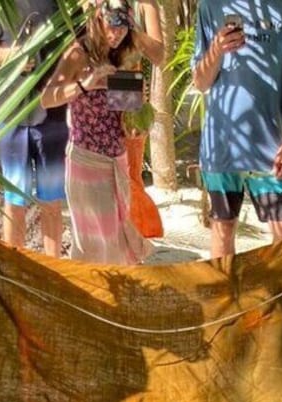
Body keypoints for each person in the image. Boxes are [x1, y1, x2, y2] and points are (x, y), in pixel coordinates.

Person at [191, 0, 282, 258]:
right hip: (222, 145)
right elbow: (201, 83)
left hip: (271, 148)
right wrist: (216, 49)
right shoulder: (210, 6)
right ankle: (226, 297)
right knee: (223, 230)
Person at [40, 0, 153, 264]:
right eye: (111, 26)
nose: (117, 34)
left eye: (123, 28)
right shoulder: (78, 54)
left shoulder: (123, 54)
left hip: (117, 159)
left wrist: (138, 98)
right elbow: (47, 99)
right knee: (95, 245)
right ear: (98, 21)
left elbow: (121, 113)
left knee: (118, 239)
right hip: (87, 160)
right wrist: (84, 85)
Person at [0, 1, 70, 258]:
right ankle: (15, 270)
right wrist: (12, 56)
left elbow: (79, 42)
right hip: (11, 110)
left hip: (53, 111)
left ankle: (54, 272)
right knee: (14, 198)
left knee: (51, 200)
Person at [122, 0, 164, 239]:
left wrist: (129, 29)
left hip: (127, 86)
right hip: (94, 89)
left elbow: (159, 54)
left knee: (129, 173)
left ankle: (136, 237)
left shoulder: (144, 4)